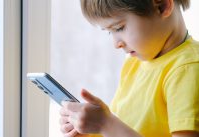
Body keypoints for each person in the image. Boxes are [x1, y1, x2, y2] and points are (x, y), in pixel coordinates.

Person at [59, 0, 199, 137]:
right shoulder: (133, 64)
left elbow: (113, 127)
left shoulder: (187, 69)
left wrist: (106, 124)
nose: (116, 44)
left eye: (119, 28)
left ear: (162, 7)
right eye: (109, 32)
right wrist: (91, 129)